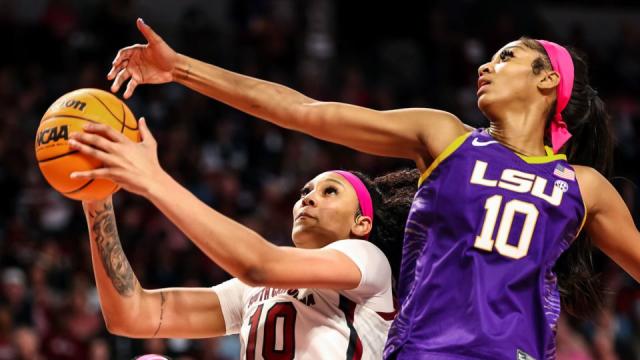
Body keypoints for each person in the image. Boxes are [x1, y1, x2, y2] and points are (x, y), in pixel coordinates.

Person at [101, 18, 640, 359]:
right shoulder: (445, 136)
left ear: (548, 80)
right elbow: (304, 111)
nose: (485, 64)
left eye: (506, 57)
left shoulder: (583, 187)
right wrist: (181, 69)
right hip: (425, 353)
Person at [68, 118, 418, 359]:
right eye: (305, 191)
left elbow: (258, 263)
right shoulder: (253, 290)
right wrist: (96, 201)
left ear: (361, 223)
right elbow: (132, 315)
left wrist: (152, 179)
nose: (308, 198)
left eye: (330, 192)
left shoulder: (366, 259)